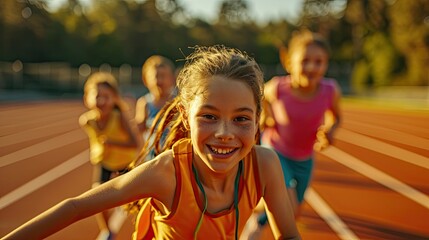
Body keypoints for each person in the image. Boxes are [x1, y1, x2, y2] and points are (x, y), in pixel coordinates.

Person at [1, 45, 301, 240]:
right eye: (208, 116)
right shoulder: (166, 172)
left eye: (241, 119)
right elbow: (76, 207)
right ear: (185, 117)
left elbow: (288, 235)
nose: (225, 132)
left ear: (259, 118)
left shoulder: (264, 164)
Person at [242, 29, 342, 239]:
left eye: (319, 61)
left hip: (305, 158)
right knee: (285, 206)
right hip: (276, 152)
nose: (312, 67)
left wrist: (330, 132)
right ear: (289, 62)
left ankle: (259, 212)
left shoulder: (330, 90)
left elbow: (336, 117)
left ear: (326, 64)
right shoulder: (279, 88)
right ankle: (256, 221)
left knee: (293, 212)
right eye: (305, 61)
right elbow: (260, 98)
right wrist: (265, 117)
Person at [78, 72, 141, 240]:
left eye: (106, 96)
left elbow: (135, 143)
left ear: (114, 98)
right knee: (96, 199)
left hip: (125, 162)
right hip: (105, 162)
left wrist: (112, 143)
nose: (102, 101)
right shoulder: (87, 121)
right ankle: (107, 231)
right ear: (87, 99)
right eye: (97, 96)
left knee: (136, 201)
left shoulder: (119, 116)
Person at [134, 55, 176, 160]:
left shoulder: (178, 102)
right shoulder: (144, 103)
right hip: (152, 156)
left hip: (173, 155)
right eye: (156, 76)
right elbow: (138, 130)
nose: (159, 81)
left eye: (163, 76)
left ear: (172, 79)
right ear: (146, 80)